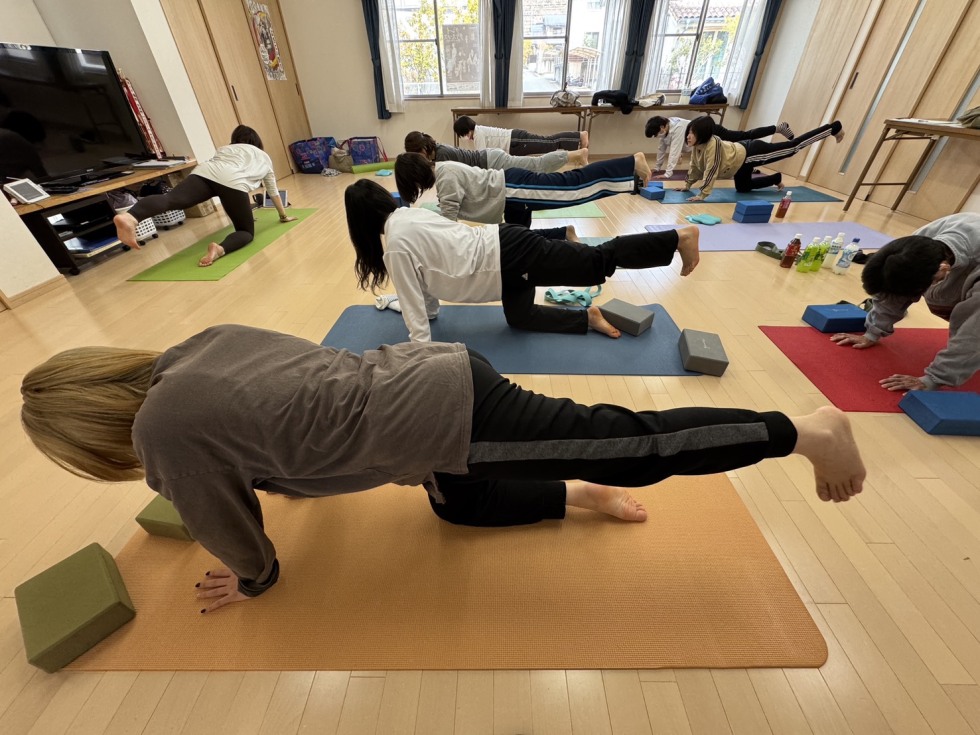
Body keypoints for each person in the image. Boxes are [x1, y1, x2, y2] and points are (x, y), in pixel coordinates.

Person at [21, 324, 866, 611]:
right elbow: (284, 393)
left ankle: (801, 430)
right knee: (459, 508)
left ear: (94, 439)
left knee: (634, 443)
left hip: (445, 417)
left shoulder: (161, 431)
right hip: (420, 374)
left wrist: (254, 579)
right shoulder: (188, 354)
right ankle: (578, 491)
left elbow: (224, 523)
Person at [344, 179, 700, 341]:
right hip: (504, 257)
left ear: (360, 224)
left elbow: (417, 319)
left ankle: (678, 238)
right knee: (520, 317)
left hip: (510, 258)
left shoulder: (395, 245)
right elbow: (423, 301)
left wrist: (418, 358)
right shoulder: (409, 216)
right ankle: (588, 318)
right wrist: (411, 309)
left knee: (597, 262)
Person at [830, 213, 980, 391]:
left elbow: (973, 334)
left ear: (944, 269)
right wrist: (872, 332)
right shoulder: (920, 242)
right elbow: (893, 287)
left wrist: (934, 379)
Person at [113, 125, 296, 267]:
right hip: (233, 182)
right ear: (257, 142)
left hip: (205, 172)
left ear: (235, 139)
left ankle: (130, 217)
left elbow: (221, 176)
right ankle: (219, 249)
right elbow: (272, 191)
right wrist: (283, 215)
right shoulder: (263, 157)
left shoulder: (226, 149)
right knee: (245, 232)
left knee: (170, 199)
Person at [394, 151, 651, 227]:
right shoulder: (443, 171)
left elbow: (448, 221)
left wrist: (419, 224)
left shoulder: (445, 174)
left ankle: (631, 162)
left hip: (513, 190)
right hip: (509, 197)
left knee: (572, 187)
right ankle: (565, 235)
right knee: (520, 241)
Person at [681, 116, 845, 201]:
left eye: (692, 133)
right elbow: (694, 166)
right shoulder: (698, 146)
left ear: (703, 134)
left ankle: (832, 128)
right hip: (738, 163)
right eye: (688, 132)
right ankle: (775, 179)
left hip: (751, 153)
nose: (688, 136)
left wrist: (702, 194)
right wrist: (687, 185)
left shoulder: (713, 144)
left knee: (793, 148)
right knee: (743, 188)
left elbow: (712, 169)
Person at [644, 115, 795, 180]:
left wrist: (668, 174)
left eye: (657, 133)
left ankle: (778, 128)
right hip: (703, 138)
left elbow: (674, 151)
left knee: (744, 136)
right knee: (729, 155)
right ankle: (750, 168)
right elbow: (661, 149)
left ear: (662, 127)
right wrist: (657, 167)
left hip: (713, 131)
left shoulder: (676, 129)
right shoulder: (665, 129)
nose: (658, 136)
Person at [404, 130, 589, 172]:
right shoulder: (439, 151)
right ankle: (573, 155)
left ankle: (575, 154)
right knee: (534, 165)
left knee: (536, 165)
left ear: (423, 148)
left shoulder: (442, 155)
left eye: (416, 154)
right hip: (489, 159)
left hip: (492, 161)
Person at [452, 115, 588, 155]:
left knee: (549, 143)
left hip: (516, 140)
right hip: (514, 143)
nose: (466, 138)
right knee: (548, 144)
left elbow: (481, 158)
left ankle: (580, 135)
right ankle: (577, 141)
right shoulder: (478, 132)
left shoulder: (478, 134)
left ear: (467, 129)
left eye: (464, 134)